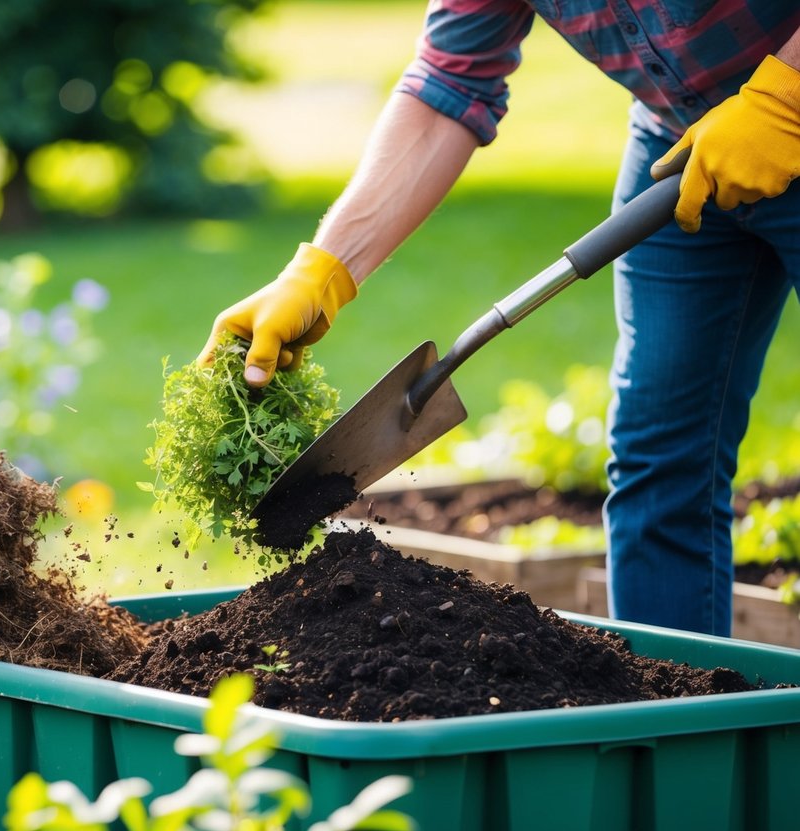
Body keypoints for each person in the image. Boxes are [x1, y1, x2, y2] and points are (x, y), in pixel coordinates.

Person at [198, 2, 800, 637]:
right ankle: (679, 721)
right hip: (680, 148)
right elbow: (450, 83)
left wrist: (786, 95)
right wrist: (324, 268)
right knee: (661, 457)